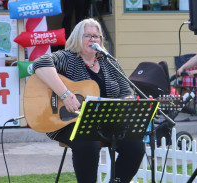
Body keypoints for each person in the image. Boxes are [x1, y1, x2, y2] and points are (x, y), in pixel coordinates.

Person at [32, 18, 145, 183]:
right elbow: (39, 63)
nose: (93, 39)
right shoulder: (67, 58)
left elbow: (125, 92)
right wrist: (65, 95)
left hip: (106, 122)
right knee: (87, 142)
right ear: (78, 38)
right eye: (87, 36)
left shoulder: (110, 63)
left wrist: (127, 101)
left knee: (135, 146)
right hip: (66, 121)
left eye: (96, 36)